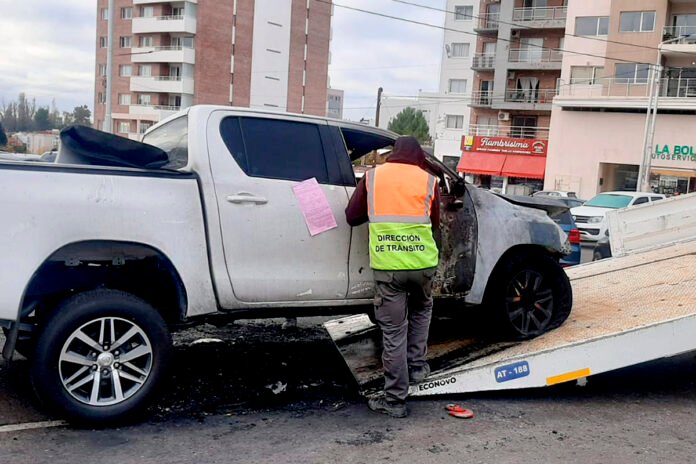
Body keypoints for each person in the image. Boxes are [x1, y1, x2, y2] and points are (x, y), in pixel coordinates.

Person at [345, 136, 440, 418]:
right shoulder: (429, 180)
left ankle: (395, 400)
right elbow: (435, 223)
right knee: (422, 309)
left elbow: (352, 216)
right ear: (419, 156)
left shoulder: (373, 177)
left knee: (394, 331)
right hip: (423, 265)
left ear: (393, 153)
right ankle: (417, 367)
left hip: (390, 268)